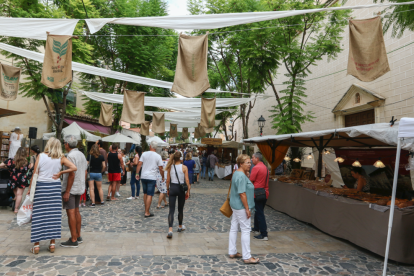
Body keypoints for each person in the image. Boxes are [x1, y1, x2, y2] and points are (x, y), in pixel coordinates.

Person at [27, 137, 77, 254]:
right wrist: (61, 172)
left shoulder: (41, 156)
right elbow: (74, 168)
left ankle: (36, 246)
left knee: (38, 215)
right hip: (54, 188)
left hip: (41, 187)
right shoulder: (61, 158)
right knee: (53, 215)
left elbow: (35, 173)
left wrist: (30, 189)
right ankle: (52, 244)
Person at [228, 154, 259, 264]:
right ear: (241, 164)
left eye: (250, 162)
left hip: (235, 205)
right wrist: (247, 208)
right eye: (247, 162)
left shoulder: (237, 173)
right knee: (246, 230)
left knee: (234, 227)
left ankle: (232, 251)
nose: (250, 164)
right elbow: (242, 193)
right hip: (241, 206)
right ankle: (247, 256)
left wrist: (247, 175)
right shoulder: (241, 176)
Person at [61, 135, 88, 248]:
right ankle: (78, 235)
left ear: (66, 144)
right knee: (76, 211)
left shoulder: (70, 156)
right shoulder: (81, 154)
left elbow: (71, 174)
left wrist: (67, 191)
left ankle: (73, 239)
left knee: (71, 212)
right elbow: (85, 171)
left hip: (71, 188)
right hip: (79, 186)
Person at [165, 151, 191, 239]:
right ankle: (180, 226)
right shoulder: (184, 167)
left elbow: (168, 180)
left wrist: (168, 189)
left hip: (172, 188)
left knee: (171, 210)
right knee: (180, 209)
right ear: (181, 158)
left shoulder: (170, 167)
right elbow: (187, 180)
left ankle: (170, 230)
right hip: (180, 189)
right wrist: (188, 191)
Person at [135, 140, 164, 217]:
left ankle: (146, 209)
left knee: (145, 193)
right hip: (152, 177)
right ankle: (147, 212)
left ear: (150, 146)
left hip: (144, 176)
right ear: (156, 147)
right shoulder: (158, 156)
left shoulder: (144, 154)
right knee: (150, 194)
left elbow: (139, 164)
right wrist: (163, 176)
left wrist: (137, 173)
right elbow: (161, 168)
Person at [0, 147, 32, 213]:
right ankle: (16, 209)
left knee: (16, 194)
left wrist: (7, 167)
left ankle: (15, 200)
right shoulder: (26, 161)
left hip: (13, 178)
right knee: (19, 194)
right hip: (22, 178)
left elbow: (1, 165)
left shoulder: (12, 160)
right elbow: (31, 167)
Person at [250, 152, 269, 241]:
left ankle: (264, 234)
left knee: (259, 212)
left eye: (252, 157)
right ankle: (256, 228)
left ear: (257, 158)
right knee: (258, 211)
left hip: (257, 193)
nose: (251, 159)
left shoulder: (256, 167)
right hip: (265, 192)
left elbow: (251, 180)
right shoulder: (265, 167)